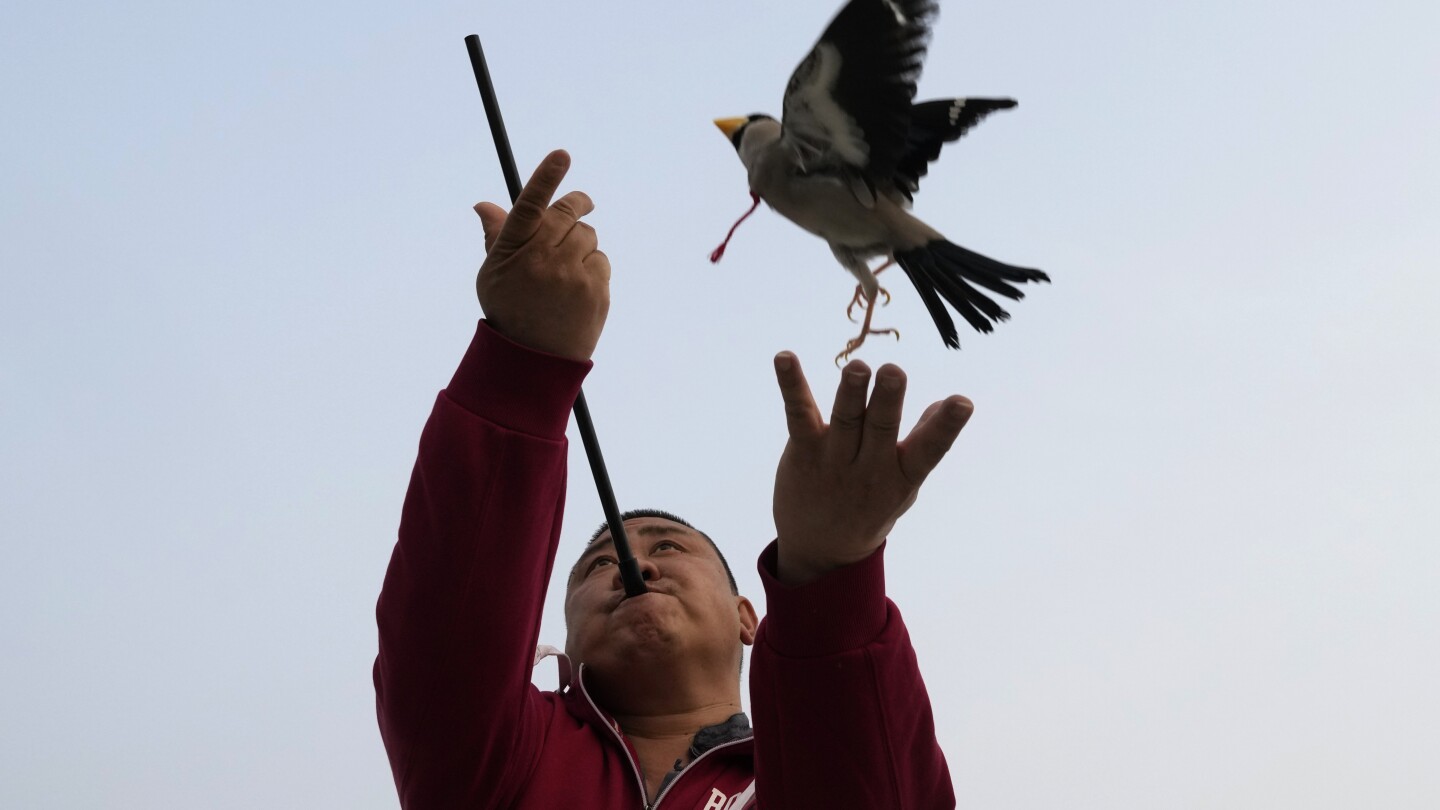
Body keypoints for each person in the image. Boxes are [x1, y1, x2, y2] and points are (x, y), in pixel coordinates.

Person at [374, 150, 976, 809]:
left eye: (666, 547)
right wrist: (522, 363)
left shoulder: (794, 767)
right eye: (595, 566)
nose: (635, 566)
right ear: (565, 647)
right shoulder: (501, 757)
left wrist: (830, 576)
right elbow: (450, 637)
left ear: (749, 617)